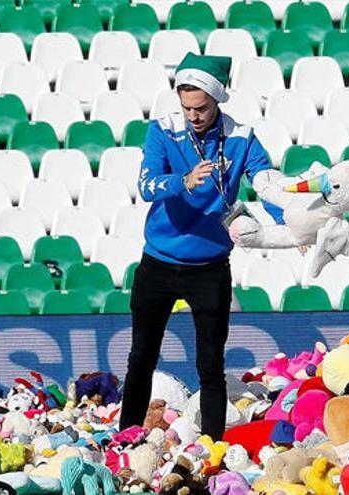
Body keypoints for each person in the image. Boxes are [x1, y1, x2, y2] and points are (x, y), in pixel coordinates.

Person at [118, 53, 283, 440]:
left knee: (210, 364)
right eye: (187, 107)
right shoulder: (162, 129)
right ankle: (126, 439)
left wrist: (290, 225)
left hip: (209, 268)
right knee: (140, 358)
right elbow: (146, 186)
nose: (194, 115)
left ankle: (213, 447)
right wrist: (183, 181)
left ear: (218, 100)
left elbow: (266, 183)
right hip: (158, 263)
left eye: (202, 108)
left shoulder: (241, 137)